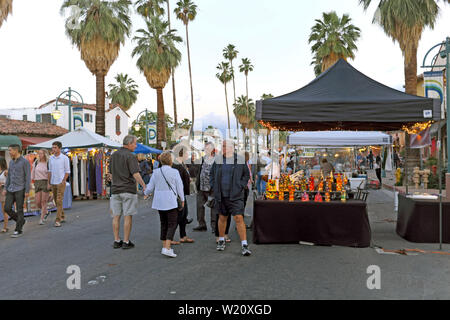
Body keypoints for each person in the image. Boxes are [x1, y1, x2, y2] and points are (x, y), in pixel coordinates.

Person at [211, 140, 251, 256]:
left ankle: (244, 244)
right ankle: (221, 240)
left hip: (236, 195)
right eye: (222, 145)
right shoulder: (218, 160)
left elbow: (246, 175)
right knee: (222, 217)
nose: (223, 148)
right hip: (221, 195)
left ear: (231, 148)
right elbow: (212, 175)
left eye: (225, 146)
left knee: (239, 218)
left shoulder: (239, 160)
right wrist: (214, 187)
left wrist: (241, 186)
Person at [144, 151, 185, 258]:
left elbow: (150, 187)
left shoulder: (156, 172)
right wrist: (182, 199)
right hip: (171, 200)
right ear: (171, 160)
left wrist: (146, 192)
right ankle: (167, 247)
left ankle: (164, 245)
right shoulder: (174, 172)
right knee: (172, 223)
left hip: (159, 201)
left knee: (163, 223)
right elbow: (180, 187)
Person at [110, 135, 146, 250]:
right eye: (135, 144)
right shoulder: (131, 156)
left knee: (116, 216)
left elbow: (110, 174)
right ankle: (126, 241)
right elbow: (135, 173)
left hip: (115, 189)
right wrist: (144, 186)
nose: (135, 146)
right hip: (128, 189)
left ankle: (116, 240)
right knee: (127, 215)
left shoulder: (114, 155)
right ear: (129, 143)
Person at [3, 144, 31, 238]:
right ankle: (21, 221)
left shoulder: (25, 162)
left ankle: (18, 229)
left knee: (19, 210)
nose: (9, 152)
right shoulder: (11, 162)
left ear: (16, 150)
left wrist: (27, 190)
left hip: (20, 188)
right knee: (7, 208)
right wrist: (5, 188)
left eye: (10, 150)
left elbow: (28, 177)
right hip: (11, 188)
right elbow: (9, 177)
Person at [172, 147, 194, 244]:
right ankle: (170, 237)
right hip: (178, 194)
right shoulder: (177, 165)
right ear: (182, 154)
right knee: (179, 216)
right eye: (187, 154)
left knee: (183, 215)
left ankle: (183, 236)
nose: (188, 156)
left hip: (182, 193)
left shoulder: (181, 164)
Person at [194, 142, 217, 232]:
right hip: (201, 187)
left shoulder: (217, 160)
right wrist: (197, 183)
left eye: (207, 149)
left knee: (213, 207)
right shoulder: (203, 159)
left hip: (211, 188)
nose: (205, 151)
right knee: (199, 206)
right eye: (205, 149)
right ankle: (201, 224)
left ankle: (214, 226)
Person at [48, 141, 71, 227]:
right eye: (52, 147)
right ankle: (62, 215)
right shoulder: (51, 158)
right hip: (53, 181)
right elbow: (49, 171)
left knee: (59, 200)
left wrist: (63, 180)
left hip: (61, 182)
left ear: (59, 148)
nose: (53, 149)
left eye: (55, 147)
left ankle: (57, 220)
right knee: (56, 201)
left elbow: (67, 171)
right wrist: (49, 182)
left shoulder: (65, 158)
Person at [32, 149, 50, 225]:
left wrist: (49, 183)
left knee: (43, 201)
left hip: (45, 182)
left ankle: (41, 219)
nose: (40, 155)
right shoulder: (36, 162)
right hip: (37, 182)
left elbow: (50, 173)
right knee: (37, 202)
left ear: (45, 154)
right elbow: (33, 172)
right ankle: (46, 212)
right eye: (39, 153)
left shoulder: (48, 163)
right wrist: (31, 182)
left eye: (41, 153)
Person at [0, 157, 9, 233]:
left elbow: (10, 181)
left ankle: (5, 227)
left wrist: (2, 184)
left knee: (4, 210)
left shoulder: (5, 172)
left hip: (3, 191)